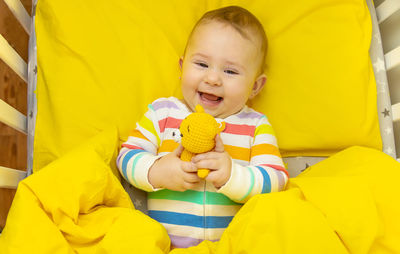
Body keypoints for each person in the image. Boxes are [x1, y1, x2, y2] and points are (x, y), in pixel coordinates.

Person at [117, 5, 288, 249]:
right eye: (201, 64)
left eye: (230, 71)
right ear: (182, 66)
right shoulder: (162, 113)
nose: (213, 79)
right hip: (164, 244)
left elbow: (277, 179)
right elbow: (126, 157)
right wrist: (157, 171)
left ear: (255, 87)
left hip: (233, 244)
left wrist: (233, 176)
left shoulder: (255, 126)